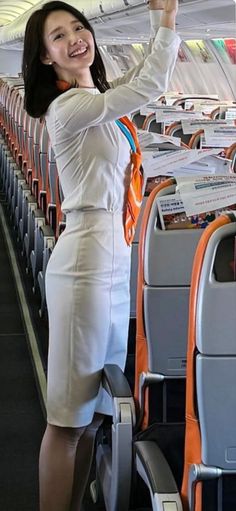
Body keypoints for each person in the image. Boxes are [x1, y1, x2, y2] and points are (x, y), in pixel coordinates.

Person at [22, 1, 180, 510]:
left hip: (113, 258)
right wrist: (167, 19)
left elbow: (132, 81)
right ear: (45, 57)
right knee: (66, 419)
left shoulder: (98, 99)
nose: (75, 39)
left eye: (78, 27)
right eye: (58, 36)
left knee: (95, 414)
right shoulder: (68, 108)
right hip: (85, 261)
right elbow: (147, 85)